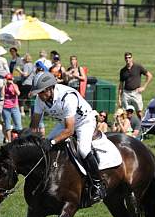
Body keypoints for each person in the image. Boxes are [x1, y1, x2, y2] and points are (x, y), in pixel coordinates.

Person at [30, 72, 106, 204]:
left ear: (49, 89)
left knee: (83, 150)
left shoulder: (67, 97)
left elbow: (70, 131)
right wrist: (32, 140)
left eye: (41, 92)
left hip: (84, 122)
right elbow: (35, 124)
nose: (39, 95)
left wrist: (52, 142)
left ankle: (98, 185)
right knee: (44, 148)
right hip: (64, 123)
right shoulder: (40, 99)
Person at [118, 52, 153, 118]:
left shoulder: (138, 67)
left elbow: (149, 76)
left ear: (132, 58)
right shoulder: (123, 70)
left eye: (129, 57)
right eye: (126, 58)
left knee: (139, 112)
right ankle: (128, 127)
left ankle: (141, 127)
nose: (128, 59)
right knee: (125, 113)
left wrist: (143, 87)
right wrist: (119, 98)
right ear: (124, 59)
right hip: (126, 93)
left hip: (136, 92)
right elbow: (121, 85)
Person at [2, 73, 22, 142]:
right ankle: (9, 141)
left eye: (10, 79)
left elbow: (18, 93)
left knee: (18, 125)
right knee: (7, 125)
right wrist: (4, 85)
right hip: (6, 107)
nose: (9, 80)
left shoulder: (15, 85)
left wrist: (12, 84)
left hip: (14, 107)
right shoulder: (4, 86)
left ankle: (19, 140)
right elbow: (2, 95)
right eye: (8, 79)